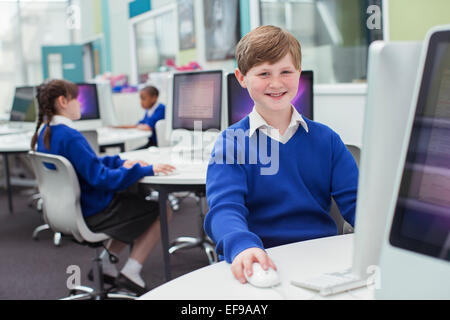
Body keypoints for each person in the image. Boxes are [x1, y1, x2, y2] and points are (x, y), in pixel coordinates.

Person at [204, 25, 359, 284]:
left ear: (298, 73)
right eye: (264, 73)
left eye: (285, 72)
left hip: (323, 258)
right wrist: (242, 246)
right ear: (241, 78)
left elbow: (358, 203)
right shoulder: (231, 143)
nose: (276, 83)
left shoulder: (326, 139)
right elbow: (224, 209)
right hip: (262, 259)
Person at [31, 79, 175, 295]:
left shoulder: (46, 133)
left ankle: (107, 266)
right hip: (94, 211)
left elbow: (90, 165)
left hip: (69, 210)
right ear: (63, 101)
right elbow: (102, 179)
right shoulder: (70, 136)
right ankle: (130, 273)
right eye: (76, 100)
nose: (80, 105)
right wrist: (144, 170)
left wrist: (119, 162)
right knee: (161, 210)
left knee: (133, 201)